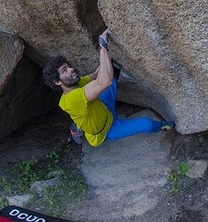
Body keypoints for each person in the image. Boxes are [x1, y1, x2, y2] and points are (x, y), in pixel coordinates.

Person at [42, 29, 175, 146]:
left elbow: (95, 75)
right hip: (107, 129)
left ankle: (79, 125)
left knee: (112, 73)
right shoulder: (71, 99)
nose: (71, 69)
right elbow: (104, 82)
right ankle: (163, 126)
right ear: (57, 82)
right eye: (65, 70)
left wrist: (107, 57)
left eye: (68, 66)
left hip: (104, 108)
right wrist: (103, 47)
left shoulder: (75, 84)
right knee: (147, 124)